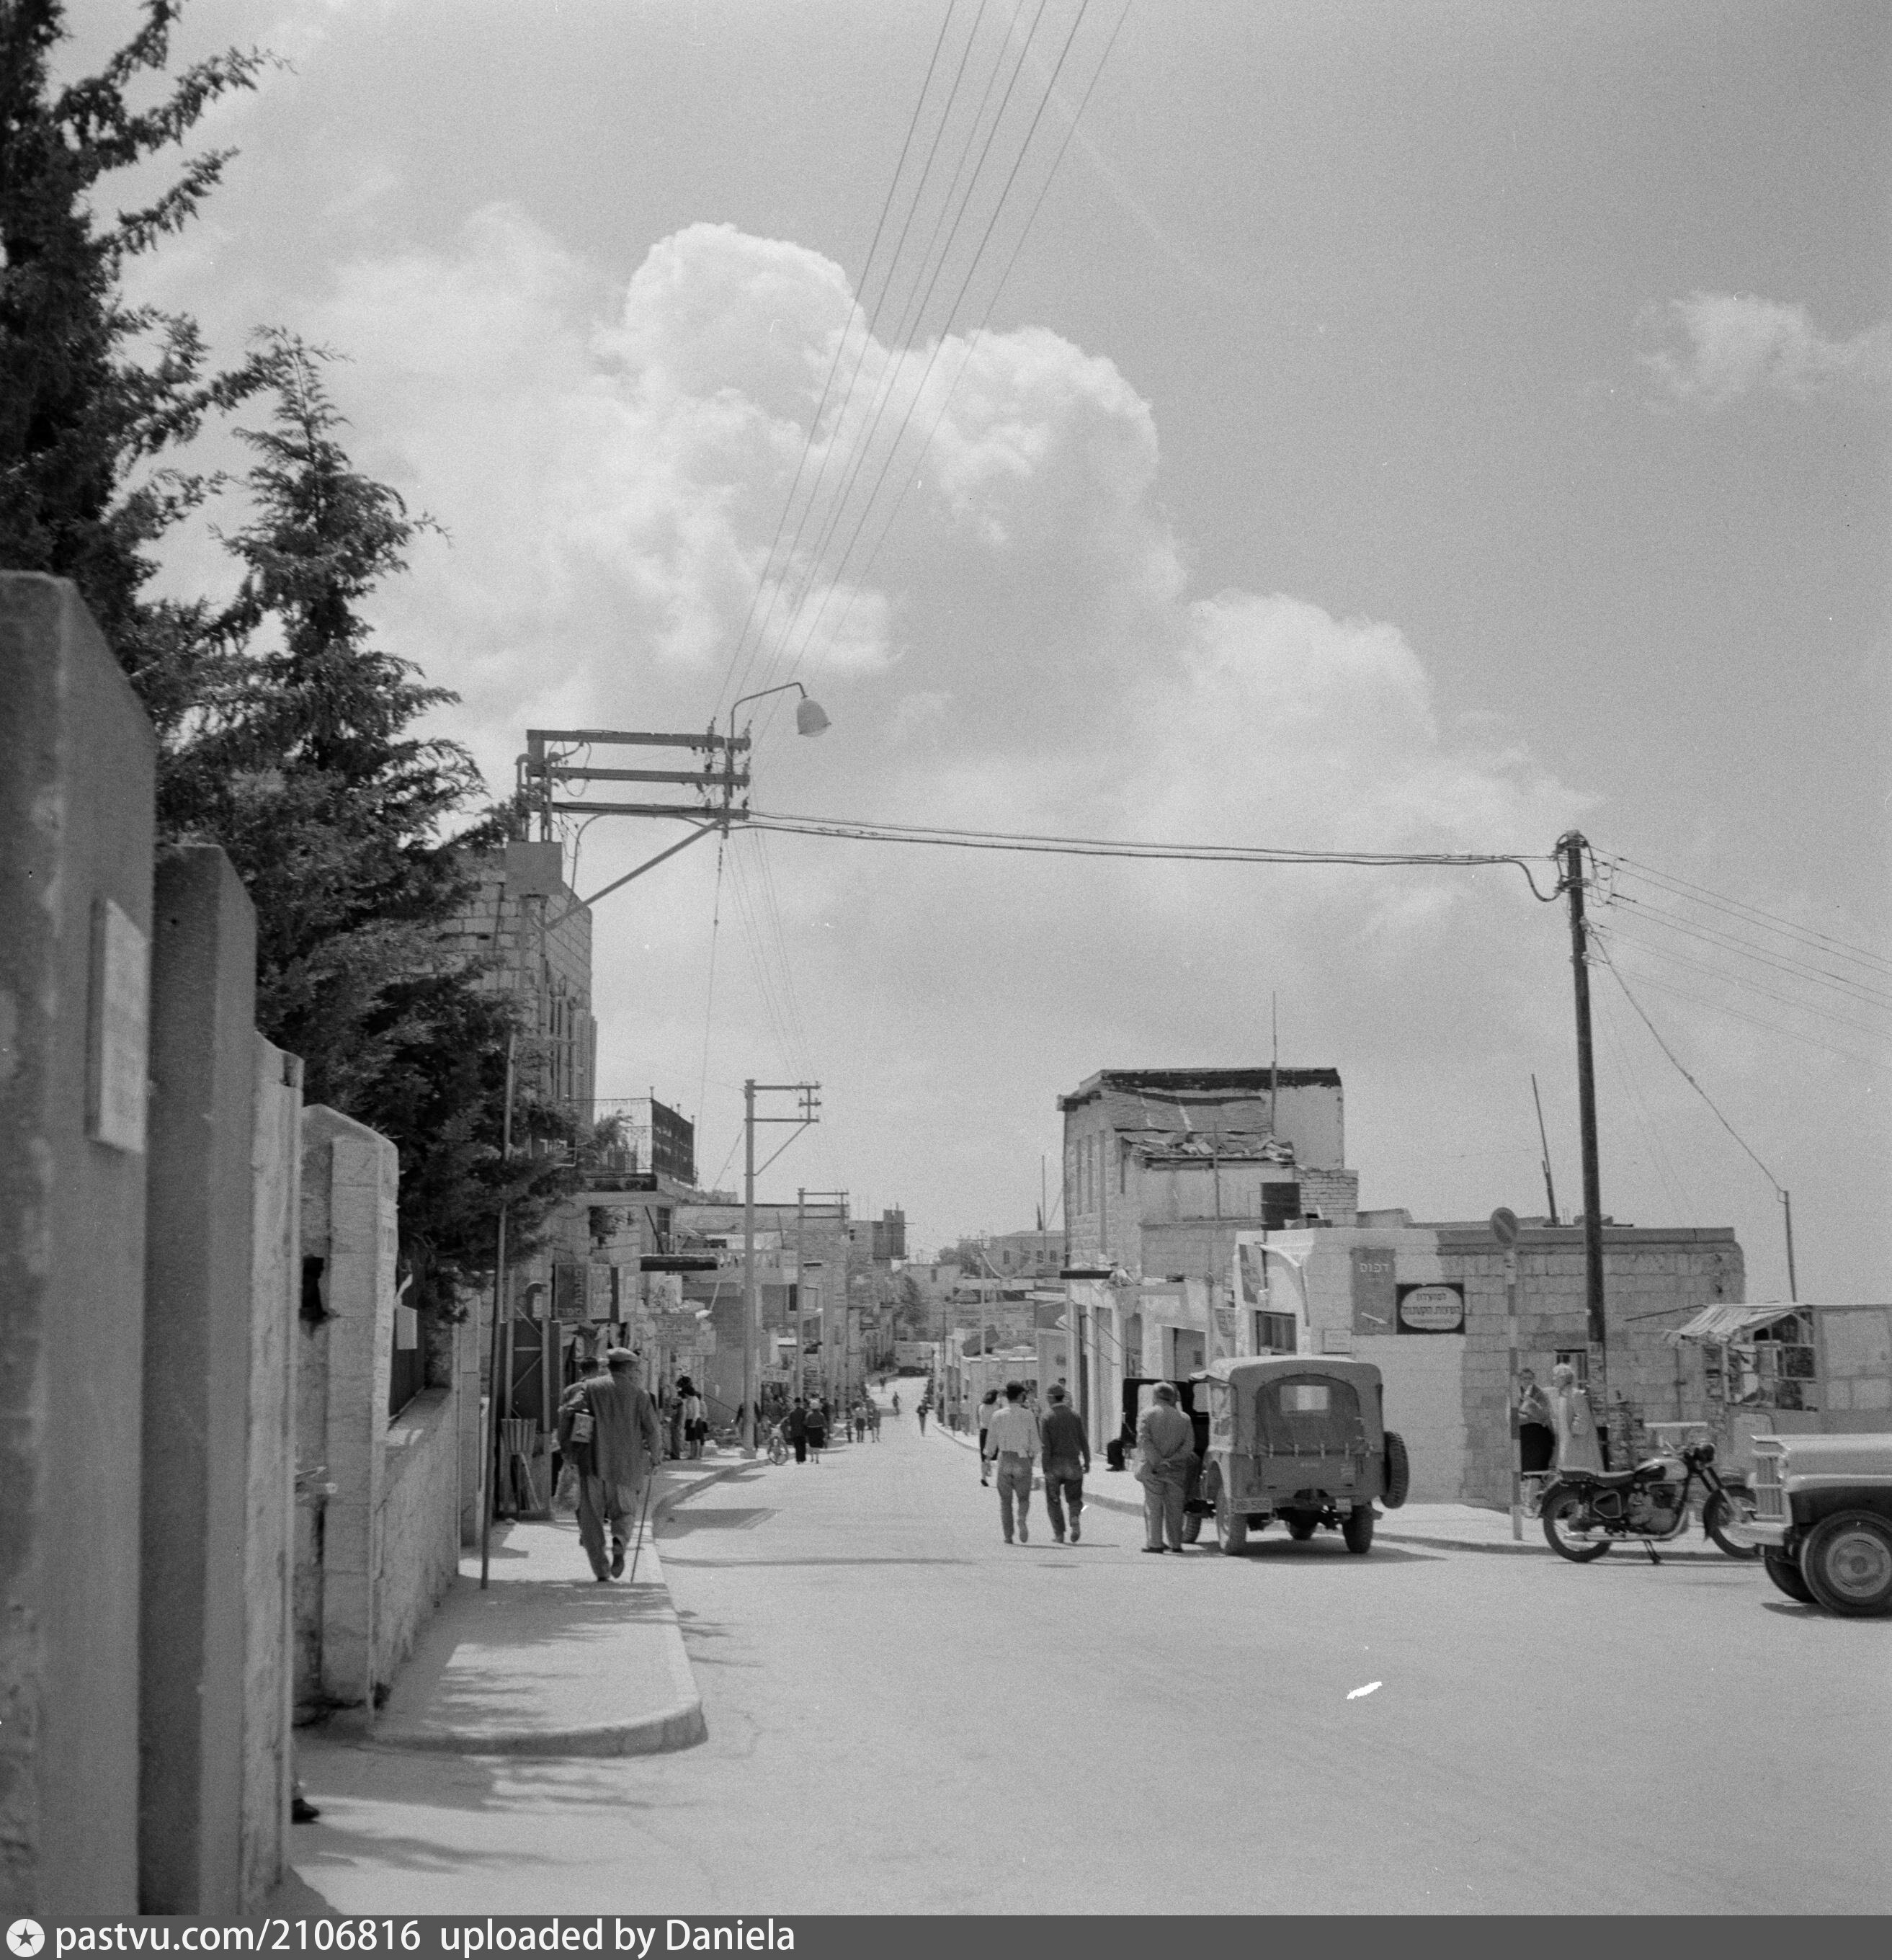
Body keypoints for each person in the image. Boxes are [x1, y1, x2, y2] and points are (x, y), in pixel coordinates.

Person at [557, 1346, 664, 1581]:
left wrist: (567, 1449)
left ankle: (601, 1570)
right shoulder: (640, 1396)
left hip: (591, 1464)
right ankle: (620, 1541)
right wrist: (656, 1458)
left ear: (609, 1366)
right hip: (627, 1466)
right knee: (625, 1512)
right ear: (629, 1369)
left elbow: (566, 1414)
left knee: (590, 1520)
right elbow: (653, 1431)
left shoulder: (589, 1388)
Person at [1135, 1383, 1197, 1554]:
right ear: (1172, 1398)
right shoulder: (1184, 1418)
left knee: (1153, 1506)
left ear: (1155, 1396)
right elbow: (1189, 1446)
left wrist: (1158, 1462)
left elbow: (1144, 1440)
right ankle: (1176, 1544)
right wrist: (1171, 1460)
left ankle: (1155, 1544)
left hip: (1152, 1469)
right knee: (1175, 1508)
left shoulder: (1147, 1414)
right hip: (1176, 1470)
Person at [985, 1381, 1039, 1544]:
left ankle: (1008, 1536)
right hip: (1022, 1459)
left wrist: (987, 1460)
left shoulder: (998, 1415)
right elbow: (1035, 1443)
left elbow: (991, 1441)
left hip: (1004, 1459)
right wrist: (1032, 1457)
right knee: (1023, 1498)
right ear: (1021, 1396)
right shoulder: (1028, 1415)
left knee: (1005, 1501)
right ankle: (1021, 1518)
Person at [1039, 1384, 1091, 1544]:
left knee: (1053, 1500)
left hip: (1054, 1465)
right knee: (1074, 1498)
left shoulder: (1047, 1418)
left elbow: (1046, 1446)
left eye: (1048, 1396)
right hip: (1073, 1464)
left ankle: (1059, 1534)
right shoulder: (1075, 1416)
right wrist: (1087, 1461)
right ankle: (1074, 1518)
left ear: (1052, 1398)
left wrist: (1045, 1466)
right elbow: (1083, 1440)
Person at [1548, 1363, 1604, 1474]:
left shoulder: (1575, 1395)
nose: (1554, 1379)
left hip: (1578, 1445)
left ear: (1564, 1379)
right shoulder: (1562, 1396)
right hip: (1566, 1443)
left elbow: (1583, 1419)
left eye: (1556, 1376)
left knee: (1579, 1473)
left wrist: (1572, 1434)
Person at [1516, 1368, 1556, 1508]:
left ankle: (1531, 1504)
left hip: (1539, 1438)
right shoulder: (1515, 1394)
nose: (1527, 1381)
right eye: (1524, 1378)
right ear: (1520, 1380)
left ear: (1534, 1379)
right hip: (1522, 1438)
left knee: (1536, 1471)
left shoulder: (1541, 1394)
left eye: (1530, 1378)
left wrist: (1530, 1404)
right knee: (1522, 1470)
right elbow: (1512, 1418)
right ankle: (1524, 1505)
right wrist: (1532, 1417)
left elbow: (1544, 1415)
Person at [976, 1388, 999, 1487]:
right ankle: (999, 1477)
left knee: (984, 1456)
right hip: (993, 1432)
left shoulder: (981, 1406)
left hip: (983, 1432)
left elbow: (979, 1419)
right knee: (996, 1455)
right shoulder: (996, 1407)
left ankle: (983, 1477)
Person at [679, 1379, 708, 1461]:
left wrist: (694, 1422)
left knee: (696, 1439)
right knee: (691, 1439)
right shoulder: (688, 1400)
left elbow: (696, 1411)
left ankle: (697, 1455)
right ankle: (692, 1454)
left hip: (695, 1420)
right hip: (689, 1419)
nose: (685, 1395)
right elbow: (687, 1411)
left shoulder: (695, 1399)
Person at [785, 1398, 808, 1464]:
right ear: (800, 1403)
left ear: (795, 1404)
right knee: (803, 1446)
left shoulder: (791, 1413)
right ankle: (802, 1459)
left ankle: (798, 1459)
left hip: (795, 1432)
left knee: (797, 1446)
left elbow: (790, 1424)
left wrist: (790, 1433)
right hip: (802, 1431)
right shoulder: (804, 1412)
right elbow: (806, 1422)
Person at [806, 1396, 828, 1461]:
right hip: (819, 1430)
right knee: (818, 1445)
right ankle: (817, 1458)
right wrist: (825, 1433)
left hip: (811, 1430)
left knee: (811, 1444)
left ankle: (812, 1458)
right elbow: (824, 1424)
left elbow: (806, 1423)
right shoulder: (821, 1415)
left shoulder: (809, 1415)